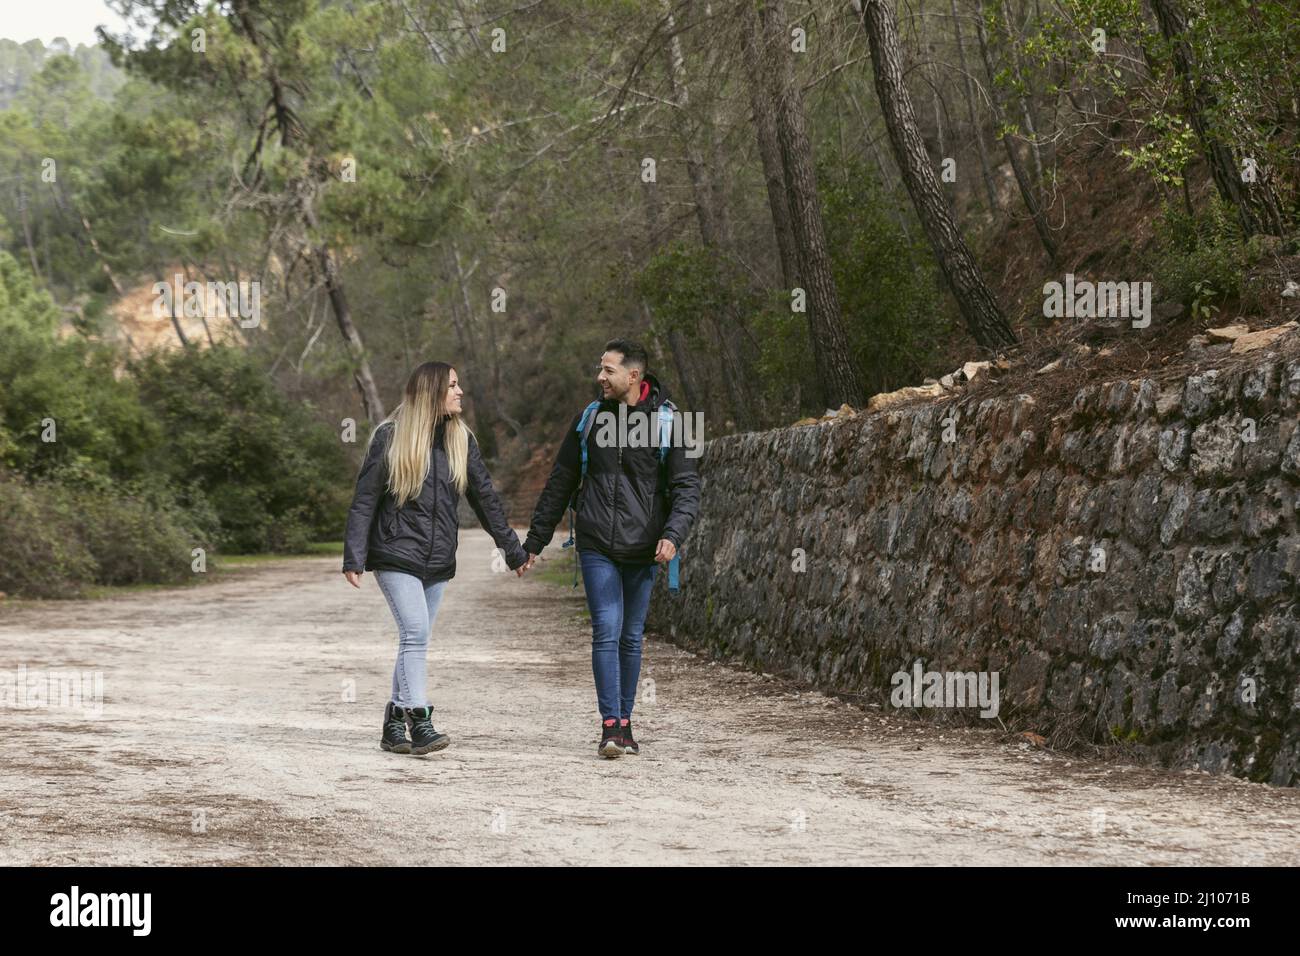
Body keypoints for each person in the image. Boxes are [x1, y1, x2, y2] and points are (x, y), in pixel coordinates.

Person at [522, 339, 701, 758]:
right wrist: (535, 541)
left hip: (645, 547)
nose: (599, 377)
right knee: (607, 627)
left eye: (607, 370)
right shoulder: (588, 419)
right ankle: (610, 727)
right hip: (597, 541)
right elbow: (561, 481)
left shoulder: (677, 422)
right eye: (599, 369)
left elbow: (688, 488)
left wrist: (673, 535)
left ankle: (626, 722)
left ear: (634, 376)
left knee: (632, 636)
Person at [342, 361, 528, 755]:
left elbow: (486, 500)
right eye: (453, 386)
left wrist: (513, 550)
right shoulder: (390, 438)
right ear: (432, 392)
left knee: (415, 638)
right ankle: (419, 720)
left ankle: (393, 725)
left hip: (439, 559)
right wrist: (355, 556)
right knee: (415, 633)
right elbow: (365, 500)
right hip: (395, 553)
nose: (461, 392)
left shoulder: (462, 440)